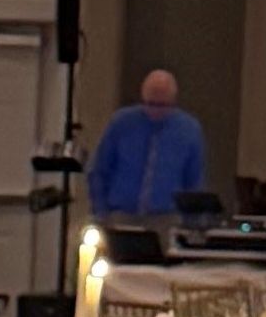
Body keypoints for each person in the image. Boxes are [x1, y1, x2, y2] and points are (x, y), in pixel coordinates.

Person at [85, 69, 210, 220]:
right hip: (120, 213)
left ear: (173, 102)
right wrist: (101, 211)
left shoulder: (189, 130)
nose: (155, 110)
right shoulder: (121, 123)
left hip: (166, 217)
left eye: (162, 105)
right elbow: (99, 170)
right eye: (150, 104)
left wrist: (192, 222)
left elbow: (194, 182)